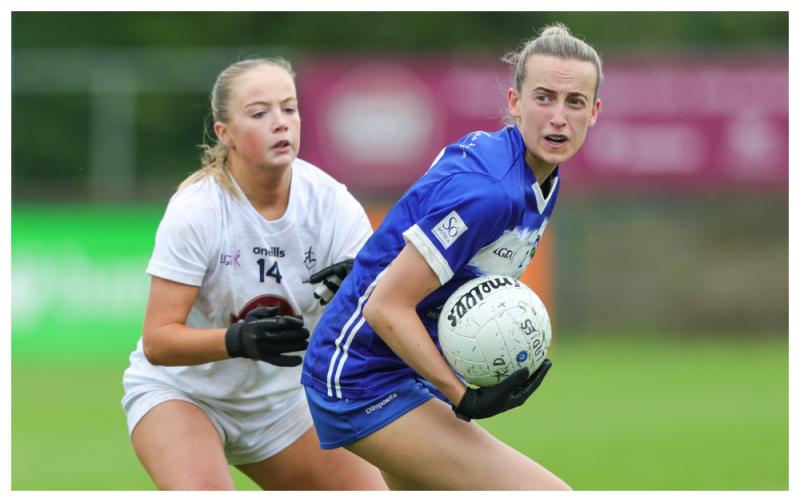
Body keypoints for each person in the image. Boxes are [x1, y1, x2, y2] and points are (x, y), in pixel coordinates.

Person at [301, 23, 602, 490]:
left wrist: (375, 261)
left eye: (574, 102)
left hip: (402, 369)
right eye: (543, 98)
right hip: (361, 380)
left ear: (594, 112)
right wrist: (464, 398)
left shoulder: (534, 170)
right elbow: (385, 305)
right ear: (515, 102)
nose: (558, 117)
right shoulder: (493, 192)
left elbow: (418, 213)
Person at [121, 57, 386, 490]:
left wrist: (357, 296)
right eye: (259, 113)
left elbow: (379, 321)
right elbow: (158, 341)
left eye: (289, 108)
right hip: (183, 395)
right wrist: (237, 340)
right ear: (225, 134)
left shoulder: (332, 204)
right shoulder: (197, 210)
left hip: (282, 408)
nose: (280, 123)